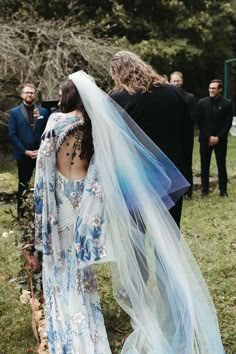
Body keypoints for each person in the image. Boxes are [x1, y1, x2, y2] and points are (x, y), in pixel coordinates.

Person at [30, 70, 225, 354]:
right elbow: (98, 175)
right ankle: (89, 330)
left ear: (67, 95)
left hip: (58, 205)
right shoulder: (95, 126)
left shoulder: (56, 121)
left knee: (59, 270)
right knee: (82, 274)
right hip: (82, 205)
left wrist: (41, 219)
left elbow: (43, 172)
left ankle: (67, 329)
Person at [110, 51, 193, 226]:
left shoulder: (118, 98)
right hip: (173, 175)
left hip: (138, 176)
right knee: (170, 233)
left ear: (117, 73)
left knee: (137, 235)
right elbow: (187, 136)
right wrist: (186, 174)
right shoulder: (175, 93)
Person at [8, 83, 49, 218]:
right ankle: (22, 216)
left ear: (35, 95)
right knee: (23, 185)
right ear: (22, 95)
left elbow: (47, 133)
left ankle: (40, 215)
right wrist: (24, 151)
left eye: (31, 92)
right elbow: (12, 135)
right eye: (27, 92)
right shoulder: (14, 113)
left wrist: (41, 150)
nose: (29, 95)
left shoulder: (43, 112)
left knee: (42, 185)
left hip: (41, 154)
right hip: (23, 155)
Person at [197, 79, 233, 197]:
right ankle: (205, 190)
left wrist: (218, 137)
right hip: (205, 140)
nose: (211, 90)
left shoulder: (227, 104)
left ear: (220, 90)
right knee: (204, 165)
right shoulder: (202, 103)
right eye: (210, 88)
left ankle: (223, 190)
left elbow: (228, 122)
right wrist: (208, 137)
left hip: (220, 140)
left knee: (221, 165)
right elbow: (200, 122)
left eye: (214, 88)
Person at [170, 71, 196, 200]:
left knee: (186, 162)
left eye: (177, 81)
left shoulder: (189, 97)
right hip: (171, 135)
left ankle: (188, 191)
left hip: (185, 135)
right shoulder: (166, 98)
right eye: (173, 81)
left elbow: (192, 118)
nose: (175, 83)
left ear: (182, 81)